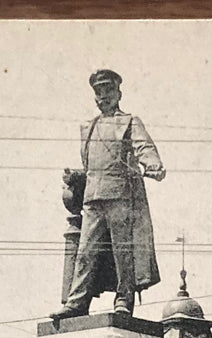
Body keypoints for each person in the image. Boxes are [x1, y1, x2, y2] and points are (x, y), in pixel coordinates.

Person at [56, 69, 164, 320]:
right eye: (98, 92)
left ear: (118, 93)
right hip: (93, 197)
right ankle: (77, 302)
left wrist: (153, 163)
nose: (103, 96)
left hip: (120, 195)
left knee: (122, 253)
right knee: (85, 253)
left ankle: (124, 299)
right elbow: (92, 165)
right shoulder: (88, 127)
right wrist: (76, 176)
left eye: (108, 90)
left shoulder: (129, 122)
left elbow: (144, 147)